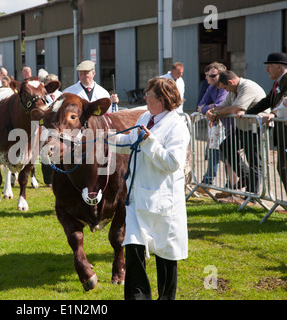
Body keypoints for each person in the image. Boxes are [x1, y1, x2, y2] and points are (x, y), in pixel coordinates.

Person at [111, 77, 190, 300]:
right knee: (133, 250)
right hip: (138, 198)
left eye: (149, 95)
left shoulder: (177, 126)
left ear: (162, 100)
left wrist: (150, 141)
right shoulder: (147, 117)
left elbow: (172, 163)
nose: (145, 98)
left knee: (166, 257)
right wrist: (97, 138)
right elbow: (130, 143)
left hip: (163, 202)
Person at [206, 70, 267, 197]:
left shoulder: (247, 87)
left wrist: (217, 113)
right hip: (243, 127)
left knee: (254, 161)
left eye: (226, 88)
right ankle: (245, 176)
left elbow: (235, 108)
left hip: (255, 127)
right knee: (226, 146)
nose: (226, 91)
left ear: (230, 82)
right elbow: (222, 107)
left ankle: (251, 197)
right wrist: (211, 112)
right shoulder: (233, 90)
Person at [244, 52, 287, 191]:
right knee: (282, 167)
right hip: (282, 130)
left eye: (269, 66)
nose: (266, 70)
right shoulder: (278, 82)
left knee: (284, 167)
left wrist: (273, 113)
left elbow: (284, 100)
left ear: (279, 67)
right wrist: (246, 113)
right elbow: (267, 101)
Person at [197, 62, 229, 188]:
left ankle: (231, 185)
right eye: (207, 75)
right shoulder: (211, 87)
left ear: (221, 75)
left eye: (211, 76)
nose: (207, 78)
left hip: (228, 127)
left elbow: (219, 105)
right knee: (212, 152)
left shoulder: (224, 88)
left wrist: (210, 107)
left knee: (228, 156)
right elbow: (201, 105)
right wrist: (209, 108)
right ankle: (208, 181)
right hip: (215, 126)